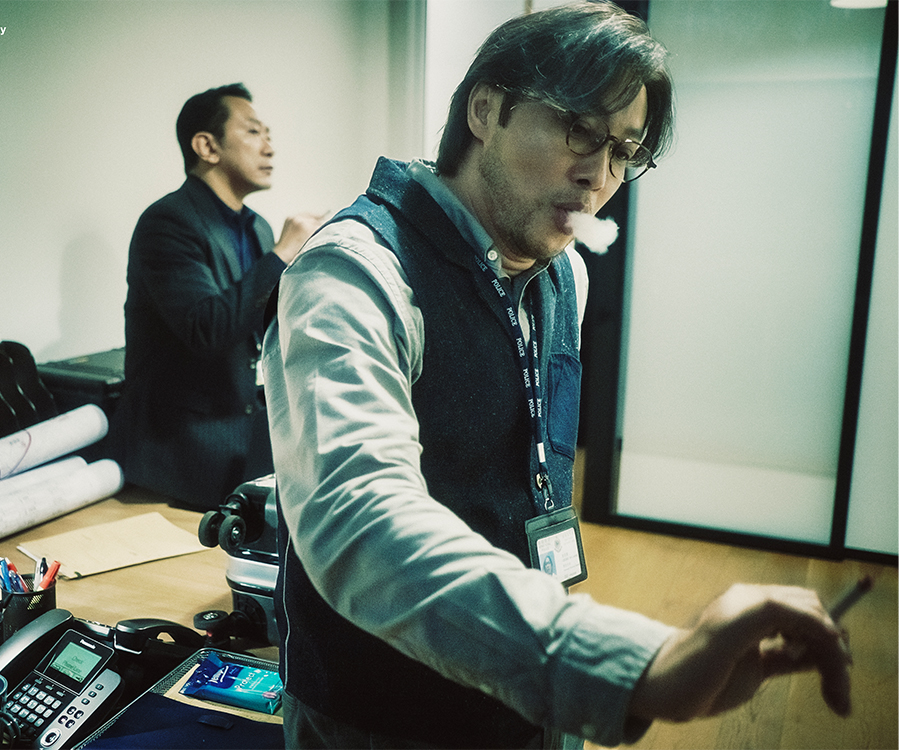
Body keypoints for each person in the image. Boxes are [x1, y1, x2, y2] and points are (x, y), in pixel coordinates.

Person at [262, 3, 852, 748]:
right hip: (381, 715)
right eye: (578, 129)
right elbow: (359, 522)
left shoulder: (565, 272)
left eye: (623, 151)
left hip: (531, 689)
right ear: (485, 109)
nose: (598, 175)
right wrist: (631, 664)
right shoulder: (353, 272)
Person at [122, 83, 323, 510]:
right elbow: (207, 328)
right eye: (253, 131)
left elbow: (261, 326)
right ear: (207, 147)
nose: (269, 147)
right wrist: (282, 254)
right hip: (178, 458)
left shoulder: (258, 227)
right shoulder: (167, 222)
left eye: (268, 134)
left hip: (245, 443)